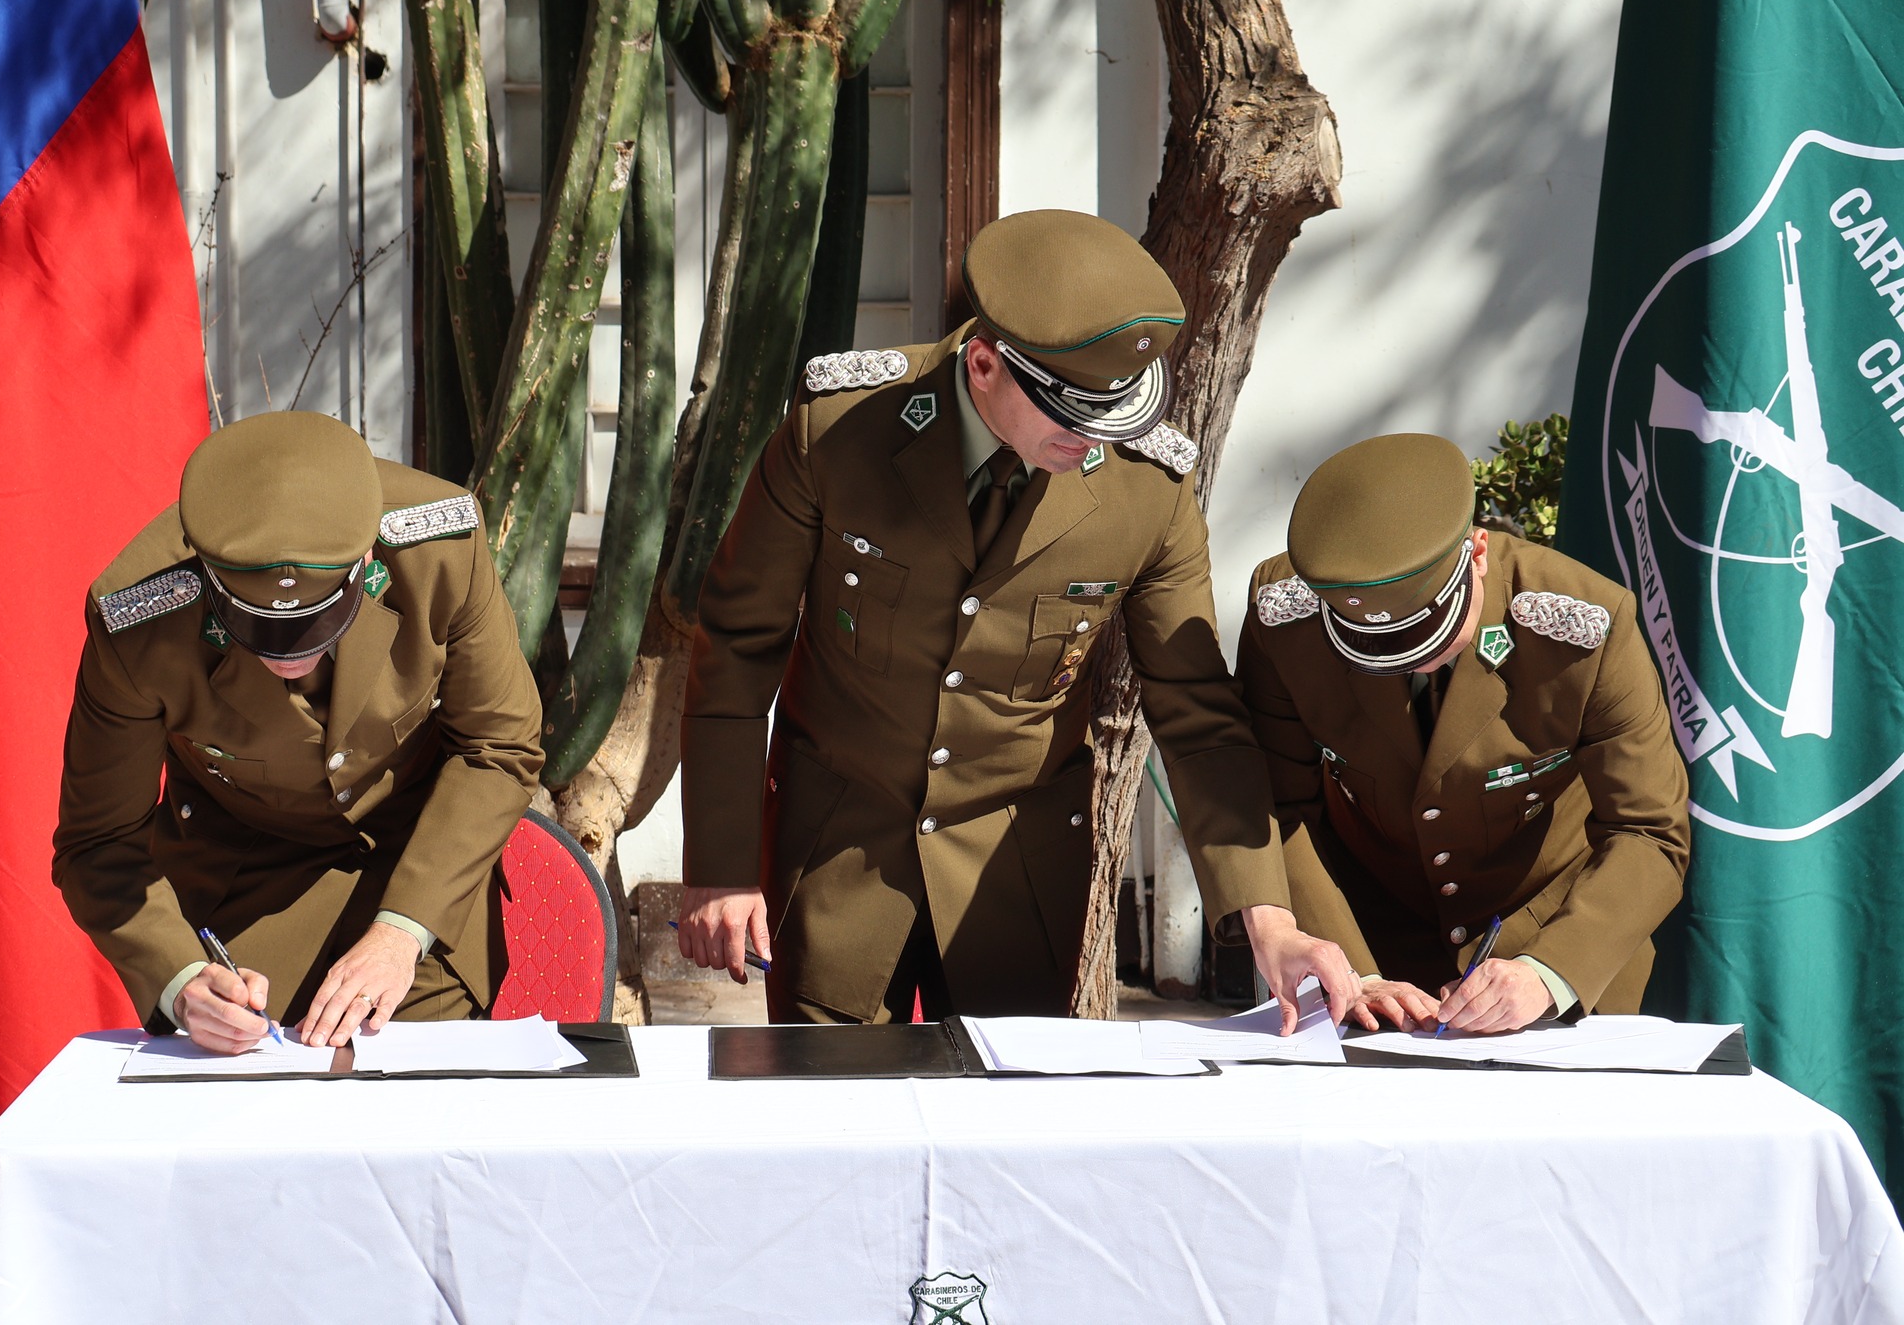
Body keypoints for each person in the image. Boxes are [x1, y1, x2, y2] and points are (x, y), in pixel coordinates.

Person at [674, 209, 1349, 1026]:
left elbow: (1199, 714)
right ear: (985, 364)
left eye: (1118, 414)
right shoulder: (838, 432)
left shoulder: (1149, 492)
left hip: (1016, 873)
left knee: (1008, 1139)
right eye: (1074, 416)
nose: (1096, 441)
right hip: (837, 850)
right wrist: (720, 863)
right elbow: (739, 647)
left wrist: (1265, 916)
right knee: (838, 1127)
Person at [53, 409, 545, 1054]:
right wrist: (180, 981)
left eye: (319, 623)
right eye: (255, 628)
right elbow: (97, 840)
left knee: (410, 1107)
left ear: (363, 563)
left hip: (419, 865)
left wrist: (402, 930)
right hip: (247, 886)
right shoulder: (140, 619)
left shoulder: (435, 548)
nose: (289, 655)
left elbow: (498, 746)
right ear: (207, 578)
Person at [1228, 432, 1691, 1033]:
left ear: (1475, 552)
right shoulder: (1286, 620)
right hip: (1375, 961)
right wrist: (1350, 970)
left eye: (1426, 633)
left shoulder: (1582, 626)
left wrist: (1547, 971)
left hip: (1559, 955)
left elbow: (1649, 831)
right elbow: (1279, 807)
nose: (1402, 662)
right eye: (1372, 647)